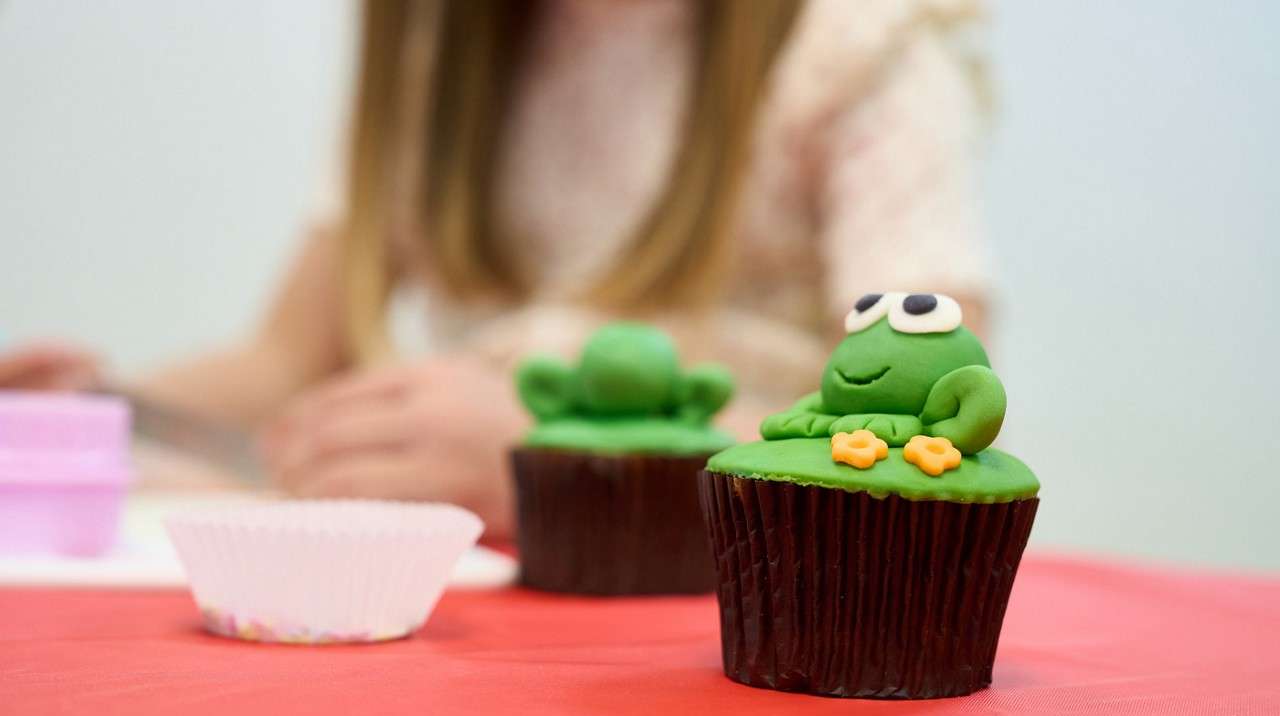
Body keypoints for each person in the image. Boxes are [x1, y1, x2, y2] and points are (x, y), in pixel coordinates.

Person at [0, 0, 992, 537]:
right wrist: (101, 408)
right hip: (473, 598)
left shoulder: (860, 37)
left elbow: (924, 423)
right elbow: (286, 359)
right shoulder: (437, 50)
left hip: (711, 612)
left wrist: (569, 464)